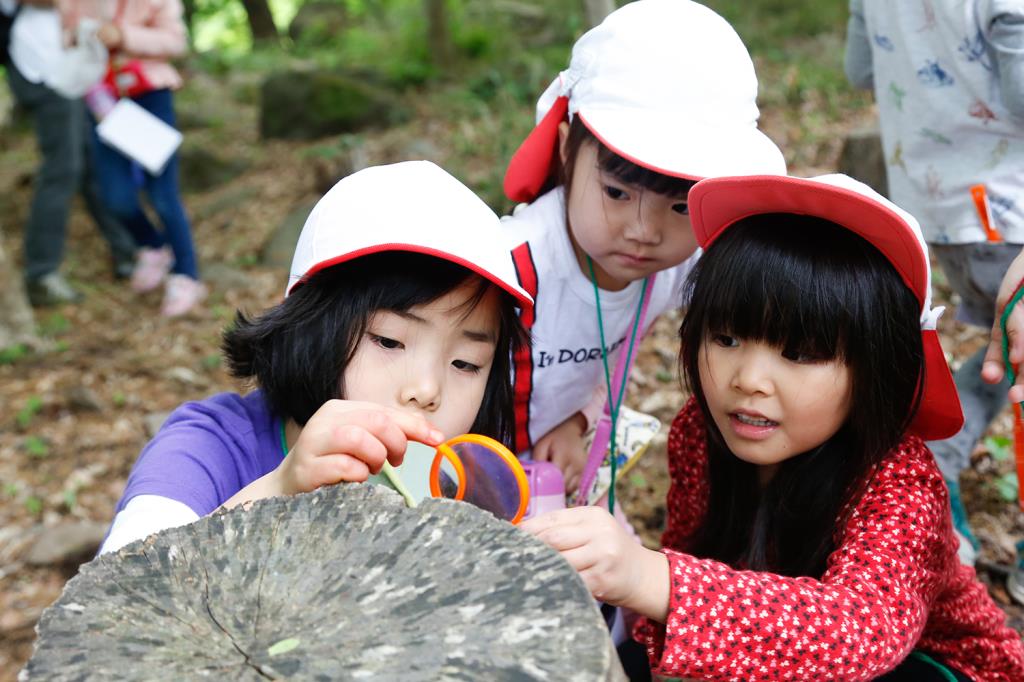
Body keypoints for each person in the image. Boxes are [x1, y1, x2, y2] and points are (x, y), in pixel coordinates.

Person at [524, 174, 1024, 681]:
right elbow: (693, 551)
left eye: (800, 353)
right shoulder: (700, 432)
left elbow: (858, 633)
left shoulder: (898, 482)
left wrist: (653, 577)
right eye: (726, 337)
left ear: (877, 369)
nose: (749, 380)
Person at [99, 161, 532, 553]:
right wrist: (280, 488)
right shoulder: (212, 447)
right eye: (388, 341)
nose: (426, 390)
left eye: (466, 363)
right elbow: (114, 603)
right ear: (311, 326)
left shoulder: (471, 488)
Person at [501, 0, 786, 493]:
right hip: (466, 463)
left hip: (559, 472)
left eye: (679, 207)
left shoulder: (677, 265)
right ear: (568, 150)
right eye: (617, 192)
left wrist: (576, 422)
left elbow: (607, 362)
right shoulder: (507, 265)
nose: (644, 231)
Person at [844, 0, 1024, 566]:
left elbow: (860, 70)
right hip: (1007, 204)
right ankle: (933, 471)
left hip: (936, 208)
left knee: (1007, 355)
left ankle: (936, 452)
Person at [67, 0, 205, 317]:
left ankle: (187, 274)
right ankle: (154, 246)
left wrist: (123, 37)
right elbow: (63, 35)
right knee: (115, 197)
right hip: (102, 99)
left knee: (164, 195)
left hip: (150, 93)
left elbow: (175, 40)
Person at [1, 0, 137, 305]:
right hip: (42, 70)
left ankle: (126, 249)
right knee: (63, 168)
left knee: (89, 165)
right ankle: (41, 272)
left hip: (68, 69)